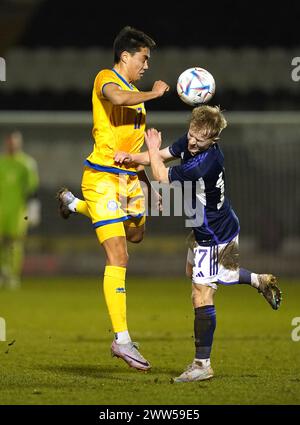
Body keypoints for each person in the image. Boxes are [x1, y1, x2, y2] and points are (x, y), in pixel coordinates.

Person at [114, 105, 282, 382]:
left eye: (200, 139)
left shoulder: (205, 162)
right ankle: (258, 280)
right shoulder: (191, 144)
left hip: (212, 234)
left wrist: (152, 148)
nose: (192, 141)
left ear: (213, 140)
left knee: (200, 294)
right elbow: (164, 155)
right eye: (192, 133)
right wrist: (130, 156)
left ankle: (202, 364)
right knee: (202, 274)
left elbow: (161, 175)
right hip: (220, 224)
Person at [57, 26, 169, 371]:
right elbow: (118, 98)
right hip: (102, 179)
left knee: (136, 234)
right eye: (143, 58)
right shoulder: (107, 79)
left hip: (129, 181)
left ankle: (74, 205)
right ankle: (121, 340)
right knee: (119, 257)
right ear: (126, 56)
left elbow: (134, 149)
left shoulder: (135, 94)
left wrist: (149, 185)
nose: (147, 65)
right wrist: (153, 93)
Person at [0, 131, 40, 289]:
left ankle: (13, 274)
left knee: (14, 242)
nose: (12, 145)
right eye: (10, 142)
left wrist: (33, 209)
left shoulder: (26, 163)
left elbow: (32, 187)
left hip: (18, 210)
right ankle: (2, 272)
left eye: (15, 142)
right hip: (1, 209)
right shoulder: (2, 162)